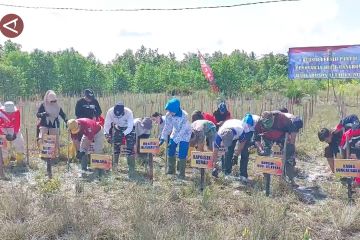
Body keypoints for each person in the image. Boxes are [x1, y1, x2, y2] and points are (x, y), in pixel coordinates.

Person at [254, 111, 298, 185]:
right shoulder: (259, 123)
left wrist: (291, 144)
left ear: (273, 118)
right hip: (267, 138)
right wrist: (261, 150)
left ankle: (291, 179)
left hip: (281, 137)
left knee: (288, 158)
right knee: (265, 157)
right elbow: (256, 139)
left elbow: (293, 130)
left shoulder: (281, 118)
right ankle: (266, 179)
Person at [159, 98, 191, 179]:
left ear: (175, 109)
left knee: (182, 152)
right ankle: (171, 170)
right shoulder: (168, 115)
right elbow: (167, 127)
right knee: (171, 149)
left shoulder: (184, 115)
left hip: (185, 134)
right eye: (168, 110)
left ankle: (181, 173)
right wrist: (163, 137)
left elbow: (183, 130)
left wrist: (175, 141)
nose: (169, 112)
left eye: (170, 110)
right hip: (175, 132)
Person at [104, 102, 135, 177]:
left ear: (123, 111)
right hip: (118, 127)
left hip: (128, 128)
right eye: (116, 115)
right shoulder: (110, 112)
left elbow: (130, 127)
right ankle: (114, 167)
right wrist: (106, 134)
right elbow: (107, 124)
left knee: (129, 148)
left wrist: (123, 134)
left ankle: (131, 168)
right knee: (115, 147)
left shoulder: (129, 112)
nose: (117, 116)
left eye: (119, 115)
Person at [229, 113, 260, 182]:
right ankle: (233, 172)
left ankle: (243, 175)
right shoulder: (243, 123)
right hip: (246, 132)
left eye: (249, 126)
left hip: (255, 131)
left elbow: (258, 137)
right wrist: (236, 154)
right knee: (244, 150)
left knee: (245, 154)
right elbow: (241, 142)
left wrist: (255, 144)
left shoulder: (258, 122)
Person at [0, 101, 25, 165]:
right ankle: (5, 161)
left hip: (12, 128)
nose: (10, 113)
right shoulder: (0, 113)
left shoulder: (17, 112)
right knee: (3, 144)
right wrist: (4, 135)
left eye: (11, 112)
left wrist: (15, 133)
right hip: (2, 129)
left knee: (20, 141)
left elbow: (17, 123)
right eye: (8, 112)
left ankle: (20, 159)